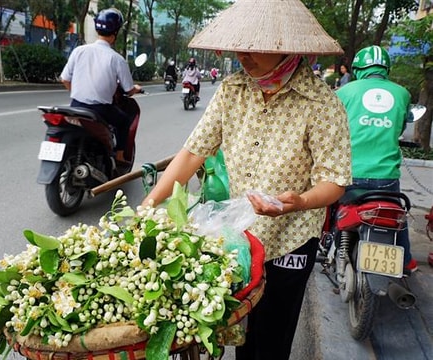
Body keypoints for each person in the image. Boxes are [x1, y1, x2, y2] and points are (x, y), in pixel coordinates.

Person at [141, 0, 351, 359]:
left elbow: (334, 182)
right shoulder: (232, 90)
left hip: (290, 240)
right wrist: (150, 204)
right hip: (239, 239)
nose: (243, 55)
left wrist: (298, 202)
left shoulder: (322, 103)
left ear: (285, 47)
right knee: (241, 330)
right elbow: (194, 152)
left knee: (271, 339)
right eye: (240, 45)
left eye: (254, 47)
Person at [336, 45, 418, 274]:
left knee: (332, 206)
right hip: (386, 178)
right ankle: (407, 260)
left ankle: (333, 246)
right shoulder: (402, 93)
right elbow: (400, 127)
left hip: (350, 173)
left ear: (358, 69)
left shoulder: (344, 92)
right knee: (395, 213)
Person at [59, 8, 142, 165]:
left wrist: (77, 92)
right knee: (124, 121)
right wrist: (136, 88)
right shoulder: (117, 59)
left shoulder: (79, 51)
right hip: (99, 110)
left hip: (75, 106)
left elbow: (64, 79)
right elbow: (128, 89)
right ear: (116, 32)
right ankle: (119, 157)